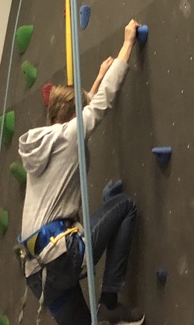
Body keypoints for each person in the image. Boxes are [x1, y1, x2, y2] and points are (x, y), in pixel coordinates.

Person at [19, 20, 143, 325]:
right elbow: (99, 105)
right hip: (62, 255)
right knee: (125, 206)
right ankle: (109, 302)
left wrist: (98, 76)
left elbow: (82, 108)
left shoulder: (44, 141)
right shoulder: (69, 136)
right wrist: (127, 43)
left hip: (36, 273)